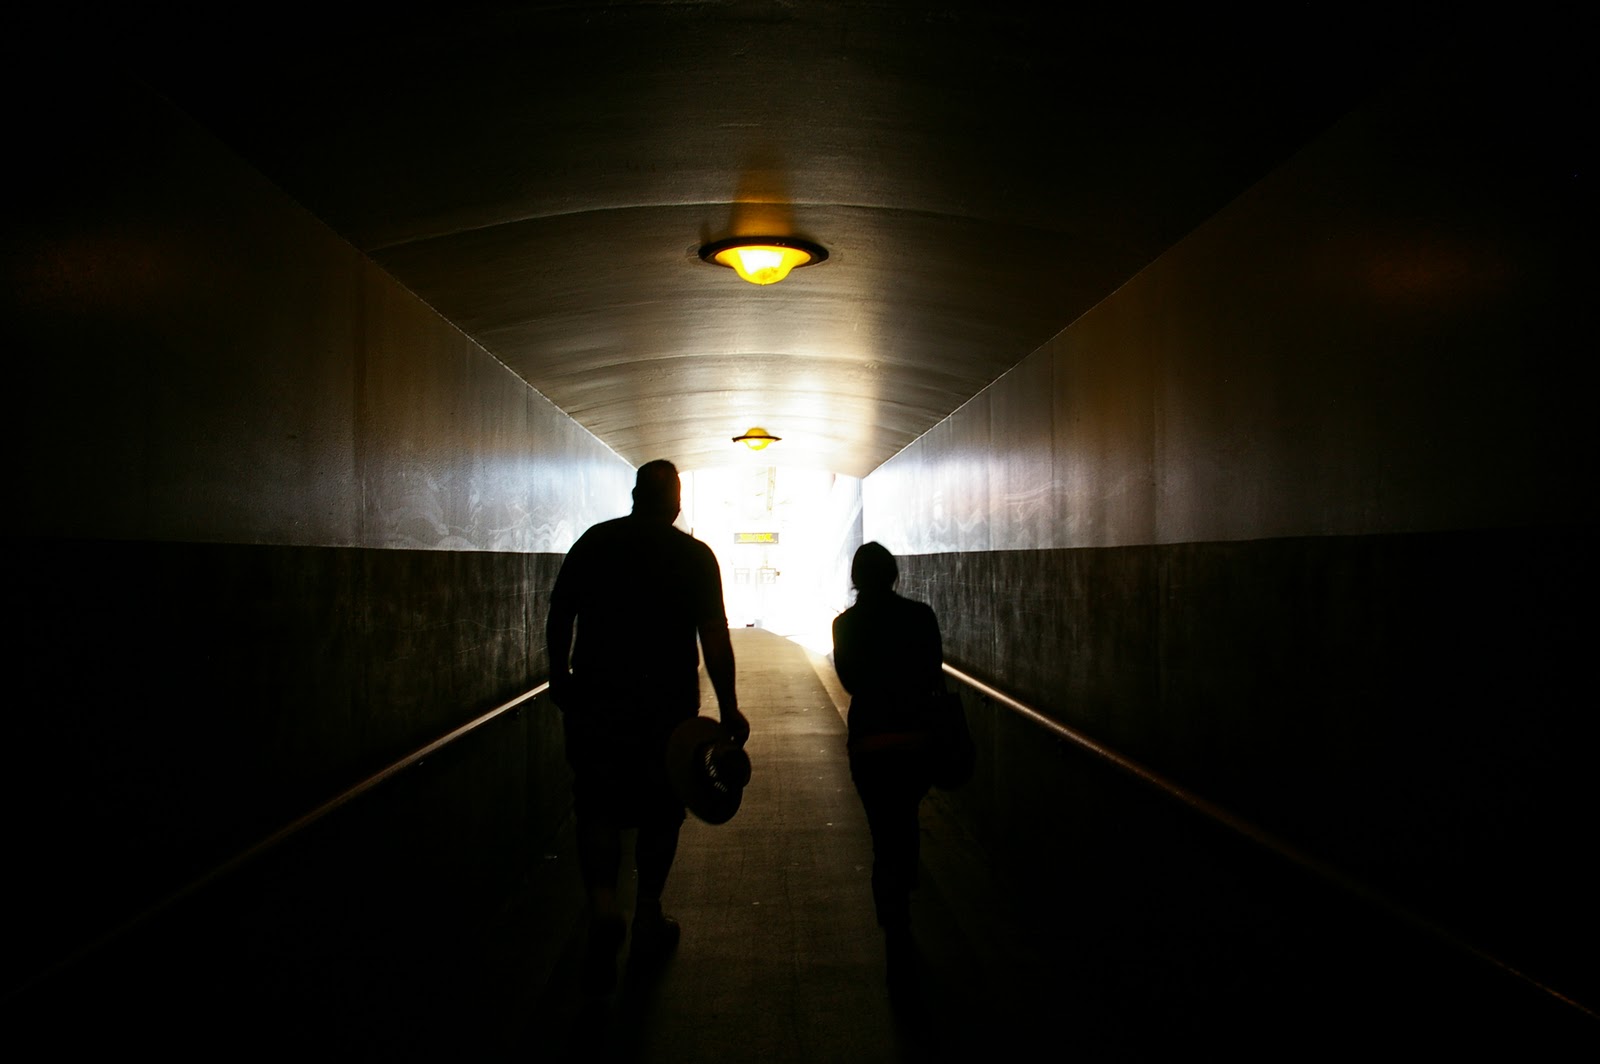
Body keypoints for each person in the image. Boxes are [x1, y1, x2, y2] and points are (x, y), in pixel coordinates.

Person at [547, 459, 749, 994]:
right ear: (675, 503)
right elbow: (713, 638)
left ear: (635, 495)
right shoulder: (694, 556)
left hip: (596, 701)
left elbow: (559, 611)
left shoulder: (594, 543)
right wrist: (729, 709)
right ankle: (648, 918)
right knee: (662, 809)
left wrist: (558, 674)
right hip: (667, 711)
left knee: (597, 804)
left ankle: (604, 906)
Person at [831, 541, 944, 990]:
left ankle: (891, 909)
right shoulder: (921, 616)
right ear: (894, 574)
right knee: (906, 816)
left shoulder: (845, 624)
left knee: (882, 829)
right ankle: (903, 886)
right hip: (915, 742)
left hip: (870, 743)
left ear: (857, 578)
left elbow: (850, 681)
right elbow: (932, 673)